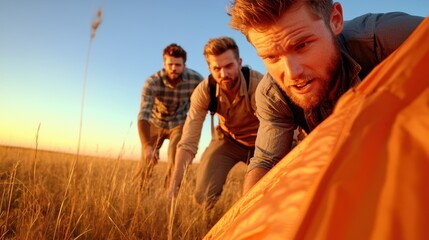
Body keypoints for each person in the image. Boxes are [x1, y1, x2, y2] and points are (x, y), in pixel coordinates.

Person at [227, 0, 424, 193]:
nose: (292, 73)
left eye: (302, 45)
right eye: (272, 57)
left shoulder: (384, 37)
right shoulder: (273, 94)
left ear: (335, 20)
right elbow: (267, 161)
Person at [168, 36, 263, 207]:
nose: (224, 74)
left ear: (239, 63)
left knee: (264, 195)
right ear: (209, 68)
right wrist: (174, 187)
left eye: (229, 66)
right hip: (229, 140)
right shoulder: (204, 91)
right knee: (203, 196)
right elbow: (188, 141)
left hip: (263, 142)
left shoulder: (258, 85)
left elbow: (275, 127)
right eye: (217, 68)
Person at [137, 43, 203, 188]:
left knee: (177, 157)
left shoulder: (196, 80)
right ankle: (140, 191)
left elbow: (206, 99)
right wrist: (147, 146)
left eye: (178, 65)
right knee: (146, 158)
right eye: (170, 64)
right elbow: (143, 115)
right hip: (156, 122)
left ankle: (169, 193)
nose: (173, 68)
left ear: (184, 65)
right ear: (164, 63)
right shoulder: (152, 82)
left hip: (179, 123)